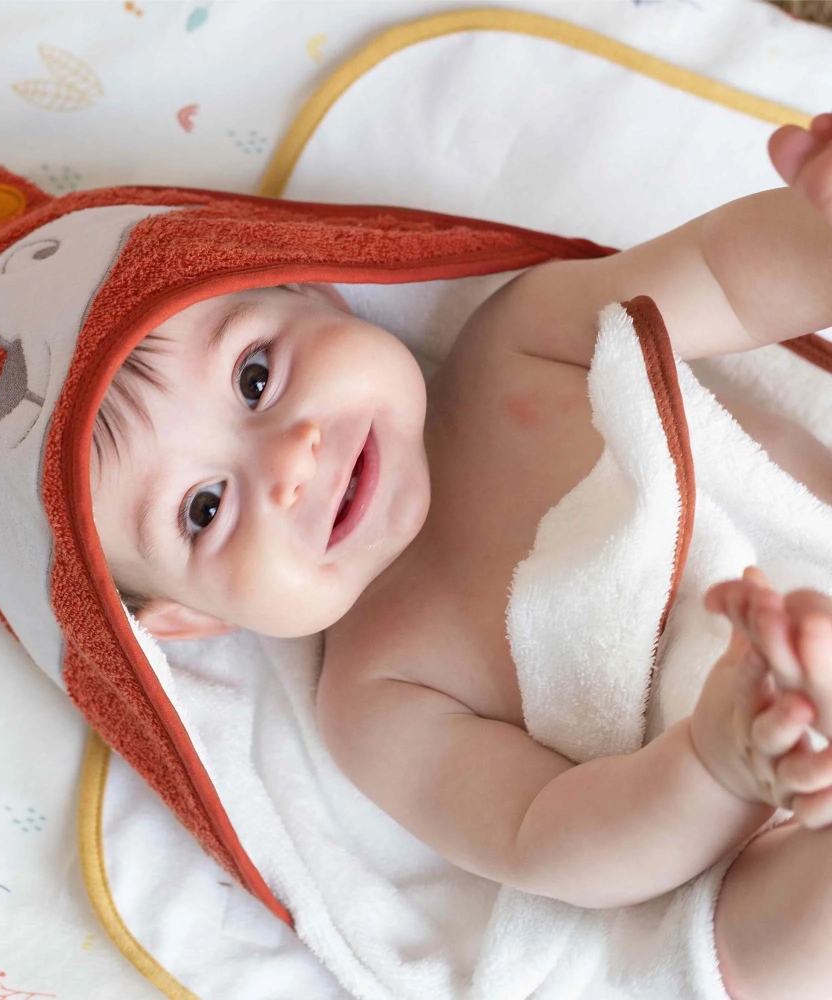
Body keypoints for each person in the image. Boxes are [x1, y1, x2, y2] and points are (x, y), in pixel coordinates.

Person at [91, 115, 832, 999]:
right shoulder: (377, 695)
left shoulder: (521, 341)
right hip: (753, 807)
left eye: (257, 376)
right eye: (204, 509)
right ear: (189, 618)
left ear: (319, 295)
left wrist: (817, 237)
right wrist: (718, 765)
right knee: (750, 946)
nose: (288, 463)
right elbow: (547, 835)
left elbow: (724, 278)